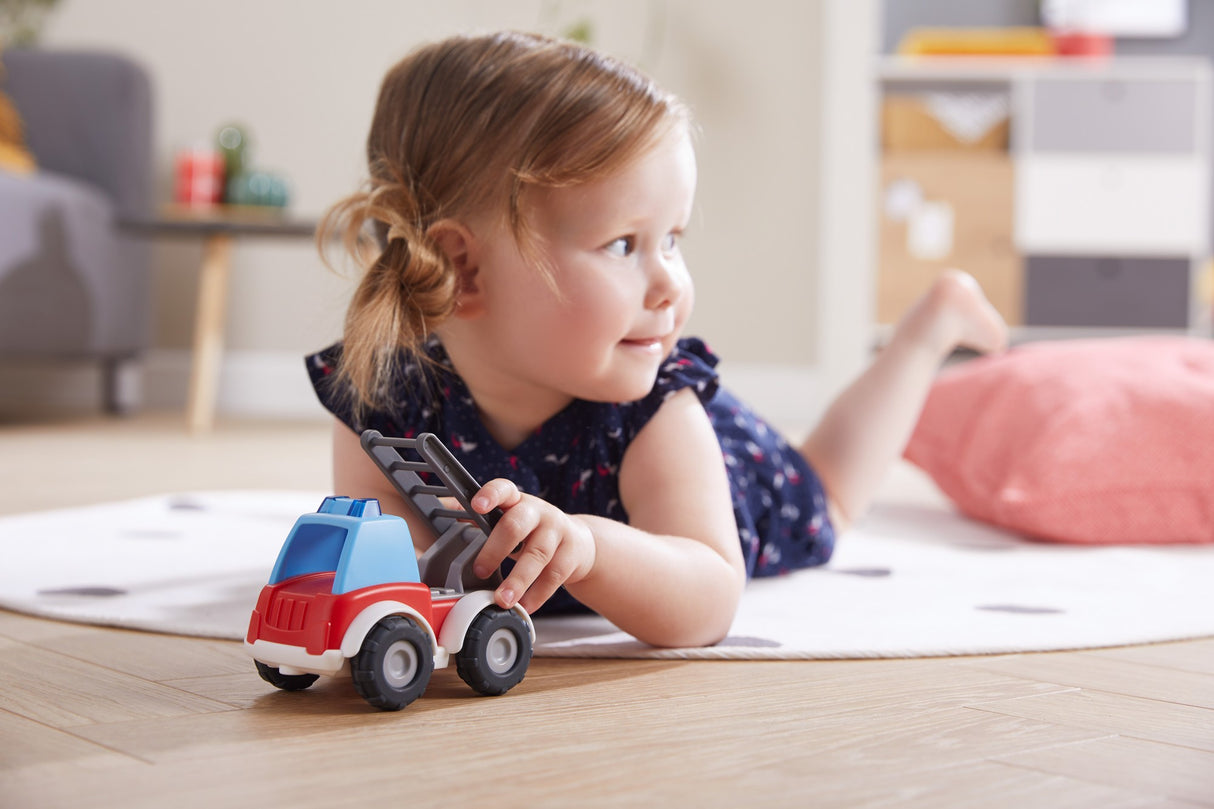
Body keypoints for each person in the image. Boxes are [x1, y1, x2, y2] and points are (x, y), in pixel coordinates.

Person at [308, 31, 1007, 649]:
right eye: (623, 244)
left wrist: (592, 547)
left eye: (671, 240)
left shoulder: (657, 409)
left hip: (734, 483)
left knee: (829, 491)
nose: (672, 283)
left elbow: (709, 597)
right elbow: (395, 558)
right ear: (463, 267)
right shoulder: (379, 396)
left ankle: (930, 328)